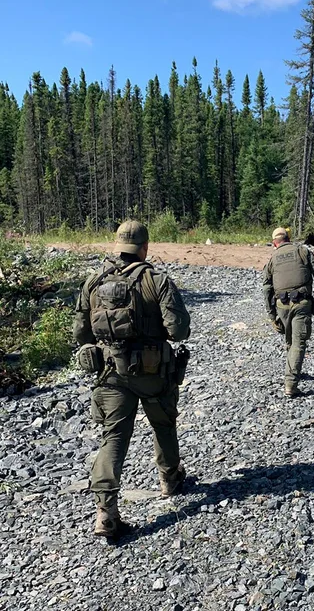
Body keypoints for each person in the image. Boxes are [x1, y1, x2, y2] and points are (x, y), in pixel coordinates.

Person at [74, 220, 191, 538]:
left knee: (113, 439)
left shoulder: (93, 282)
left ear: (116, 246)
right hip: (153, 373)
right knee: (163, 425)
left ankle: (106, 513)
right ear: (144, 248)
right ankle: (169, 479)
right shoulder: (156, 279)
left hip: (111, 374)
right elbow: (179, 330)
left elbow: (81, 334)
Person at [263, 227, 314, 398]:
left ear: (274, 243)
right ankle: (291, 384)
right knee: (299, 342)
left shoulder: (272, 259)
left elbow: (267, 289)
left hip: (281, 305)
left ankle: (294, 371)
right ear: (289, 238)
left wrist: (272, 315)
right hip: (301, 303)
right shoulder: (303, 251)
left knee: (290, 340)